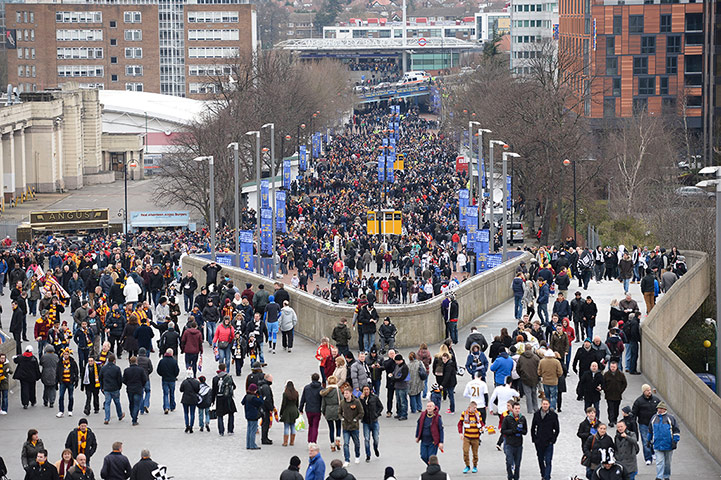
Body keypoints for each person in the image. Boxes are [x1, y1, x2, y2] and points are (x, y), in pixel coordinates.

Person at [647, 401, 680, 480]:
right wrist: (648, 440)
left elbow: (676, 431)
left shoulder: (670, 418)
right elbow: (650, 430)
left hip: (669, 444)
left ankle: (666, 476)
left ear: (665, 409)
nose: (660, 410)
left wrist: (675, 441)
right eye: (659, 408)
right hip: (657, 444)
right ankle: (659, 477)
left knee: (667, 463)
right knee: (659, 462)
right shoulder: (654, 418)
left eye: (661, 408)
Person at [531, 398, 559, 480]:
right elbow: (533, 428)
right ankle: (543, 474)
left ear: (549, 405)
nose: (545, 405)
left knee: (548, 460)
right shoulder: (537, 414)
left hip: (549, 441)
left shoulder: (553, 415)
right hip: (539, 441)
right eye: (544, 404)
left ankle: (547, 477)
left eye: (546, 404)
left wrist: (553, 440)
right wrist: (534, 439)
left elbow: (557, 429)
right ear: (541, 404)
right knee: (540, 459)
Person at [631, 384, 660, 466]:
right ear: (644, 391)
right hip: (644, 424)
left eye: (650, 390)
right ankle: (648, 458)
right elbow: (634, 413)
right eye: (647, 390)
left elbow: (660, 410)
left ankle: (653, 452)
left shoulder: (656, 400)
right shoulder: (639, 401)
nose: (649, 391)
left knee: (654, 440)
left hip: (654, 424)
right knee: (645, 441)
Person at [501, 402, 527, 480]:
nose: (517, 410)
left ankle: (516, 477)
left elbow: (525, 431)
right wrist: (513, 431)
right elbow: (503, 431)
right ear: (512, 409)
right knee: (509, 461)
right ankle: (509, 476)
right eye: (516, 409)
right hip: (509, 443)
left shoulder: (522, 418)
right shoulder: (507, 418)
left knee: (518, 463)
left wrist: (521, 430)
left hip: (519, 444)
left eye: (518, 408)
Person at [339, 387, 364, 466]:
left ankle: (357, 456)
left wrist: (356, 419)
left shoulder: (356, 402)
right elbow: (339, 412)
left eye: (347, 393)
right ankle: (347, 459)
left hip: (354, 427)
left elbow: (361, 412)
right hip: (346, 427)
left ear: (351, 393)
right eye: (344, 393)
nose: (345, 395)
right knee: (346, 444)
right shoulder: (342, 402)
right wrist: (342, 419)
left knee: (356, 442)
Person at [211, 363, 237, 436]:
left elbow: (214, 390)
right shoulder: (228, 377)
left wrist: (212, 400)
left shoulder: (215, 378)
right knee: (231, 413)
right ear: (225, 368)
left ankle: (221, 431)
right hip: (228, 398)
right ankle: (230, 430)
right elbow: (234, 386)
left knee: (220, 415)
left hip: (219, 398)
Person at [122, 356, 148, 426]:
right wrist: (141, 385)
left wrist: (128, 384)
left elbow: (123, 380)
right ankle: (134, 418)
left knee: (131, 403)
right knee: (137, 404)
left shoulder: (126, 370)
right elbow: (144, 379)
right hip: (138, 389)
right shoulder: (141, 370)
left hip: (130, 389)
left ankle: (132, 415)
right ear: (136, 361)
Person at [99, 353, 124, 424]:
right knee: (117, 402)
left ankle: (107, 418)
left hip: (106, 388)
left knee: (107, 403)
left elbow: (100, 378)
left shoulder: (103, 368)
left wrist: (102, 387)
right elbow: (120, 379)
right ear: (114, 360)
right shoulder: (117, 368)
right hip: (115, 388)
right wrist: (119, 387)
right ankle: (120, 415)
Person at [457, 401, 482, 474]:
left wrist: (482, 428)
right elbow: (460, 424)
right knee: (465, 451)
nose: (475, 409)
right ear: (469, 407)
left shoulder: (478, 414)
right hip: (467, 436)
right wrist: (460, 433)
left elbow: (481, 423)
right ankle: (467, 465)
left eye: (476, 408)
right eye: (474, 408)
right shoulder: (464, 414)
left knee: (475, 453)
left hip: (475, 437)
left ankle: (475, 466)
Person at [359, 384, 382, 462]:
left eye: (367, 389)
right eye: (364, 390)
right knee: (366, 439)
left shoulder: (374, 398)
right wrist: (361, 400)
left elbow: (380, 407)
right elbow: (359, 409)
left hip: (374, 421)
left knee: (376, 439)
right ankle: (368, 455)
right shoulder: (361, 399)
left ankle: (375, 448)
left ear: (370, 390)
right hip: (366, 422)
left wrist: (377, 414)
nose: (366, 391)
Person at [14, 344, 41, 408]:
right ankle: (32, 401)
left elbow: (15, 360)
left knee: (24, 390)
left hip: (23, 377)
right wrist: (38, 376)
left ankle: (25, 403)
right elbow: (36, 368)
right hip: (32, 376)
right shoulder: (34, 359)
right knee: (32, 389)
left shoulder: (21, 357)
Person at [321, 375, 343, 452]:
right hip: (337, 409)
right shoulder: (337, 390)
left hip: (328, 410)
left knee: (331, 429)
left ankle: (332, 445)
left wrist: (323, 411)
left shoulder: (325, 391)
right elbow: (342, 400)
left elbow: (323, 404)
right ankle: (338, 440)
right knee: (338, 426)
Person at [300, 373, 324, 443]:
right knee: (315, 426)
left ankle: (309, 440)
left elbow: (303, 399)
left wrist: (300, 408)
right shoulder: (321, 389)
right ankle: (313, 441)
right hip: (317, 410)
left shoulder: (307, 388)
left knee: (310, 425)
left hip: (309, 409)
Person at [516, 344, 540, 413]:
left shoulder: (521, 357)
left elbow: (518, 368)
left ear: (525, 349)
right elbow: (539, 368)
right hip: (534, 378)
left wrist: (521, 375)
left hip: (525, 378)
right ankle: (535, 407)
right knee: (534, 393)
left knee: (528, 394)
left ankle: (530, 409)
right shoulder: (536, 357)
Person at [602, 361, 627, 426]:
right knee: (610, 408)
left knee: (616, 408)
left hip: (617, 395)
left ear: (616, 367)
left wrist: (620, 391)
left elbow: (624, 383)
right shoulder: (606, 374)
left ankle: (615, 419)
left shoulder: (621, 375)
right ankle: (611, 420)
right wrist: (606, 390)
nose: (612, 368)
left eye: (614, 367)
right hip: (609, 395)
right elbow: (603, 383)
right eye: (611, 367)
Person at [156, 349, 179, 415]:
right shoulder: (174, 361)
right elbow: (177, 371)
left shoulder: (162, 361)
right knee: (172, 393)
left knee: (165, 394)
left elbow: (158, 370)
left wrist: (162, 375)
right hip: (172, 380)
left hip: (165, 379)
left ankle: (166, 407)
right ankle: (172, 406)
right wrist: (174, 376)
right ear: (171, 354)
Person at [279, 381, 300, 447]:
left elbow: (283, 404)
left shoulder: (285, 394)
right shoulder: (296, 393)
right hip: (294, 409)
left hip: (287, 410)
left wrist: (281, 412)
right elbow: (297, 403)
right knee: (293, 425)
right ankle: (292, 441)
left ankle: (285, 442)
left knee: (286, 426)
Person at [259, 373, 276, 444]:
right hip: (265, 408)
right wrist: (271, 408)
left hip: (263, 407)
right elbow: (267, 399)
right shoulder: (266, 387)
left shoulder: (262, 386)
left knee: (265, 423)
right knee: (266, 423)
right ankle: (264, 438)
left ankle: (265, 437)